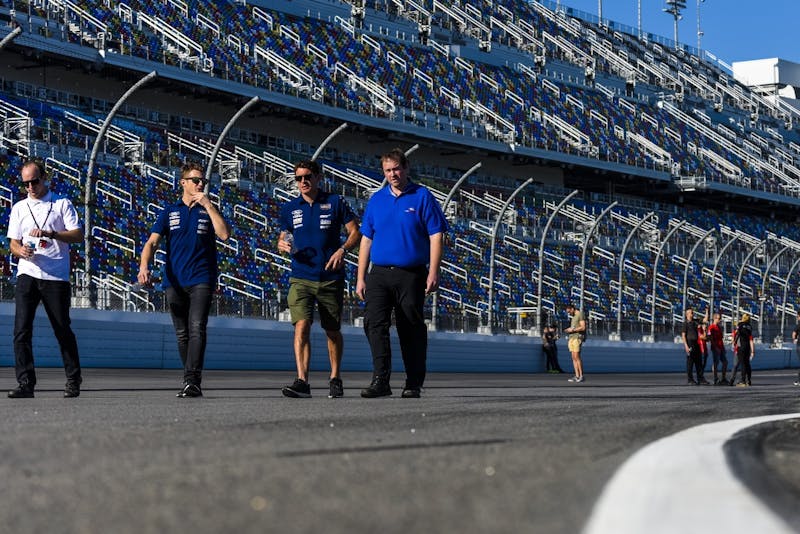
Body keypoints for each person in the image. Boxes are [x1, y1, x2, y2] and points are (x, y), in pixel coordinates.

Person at [355, 148, 448, 398]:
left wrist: (433, 271)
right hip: (379, 274)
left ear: (406, 168)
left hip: (411, 273)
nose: (393, 174)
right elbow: (366, 240)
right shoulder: (377, 200)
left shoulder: (422, 196)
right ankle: (380, 380)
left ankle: (413, 382)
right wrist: (360, 277)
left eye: (396, 169)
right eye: (388, 170)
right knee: (374, 324)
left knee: (410, 327)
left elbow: (436, 235)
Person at [138, 162, 231, 398]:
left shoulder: (208, 210)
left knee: (197, 327)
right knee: (182, 333)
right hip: (174, 281)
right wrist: (144, 265)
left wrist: (208, 205)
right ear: (183, 183)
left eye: (203, 181)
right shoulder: (170, 211)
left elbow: (224, 234)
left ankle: (192, 380)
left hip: (201, 278)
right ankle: (190, 378)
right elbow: (152, 242)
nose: (200, 184)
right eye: (196, 180)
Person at [277, 160, 360, 398]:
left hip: (329, 277)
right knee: (301, 326)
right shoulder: (290, 208)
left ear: (318, 178)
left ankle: (335, 377)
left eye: (307, 177)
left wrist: (342, 250)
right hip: (300, 276)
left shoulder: (334, 202)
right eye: (298, 178)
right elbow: (284, 236)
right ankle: (302, 381)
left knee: (332, 330)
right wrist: (282, 243)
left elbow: (355, 231)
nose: (303, 181)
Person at [6, 160, 83, 398]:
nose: (30, 187)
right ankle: (25, 383)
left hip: (55, 276)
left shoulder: (61, 203)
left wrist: (52, 234)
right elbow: (13, 243)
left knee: (62, 329)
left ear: (45, 178)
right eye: (26, 183)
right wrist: (20, 251)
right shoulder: (19, 207)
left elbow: (78, 235)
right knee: (21, 330)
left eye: (35, 181)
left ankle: (73, 379)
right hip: (27, 272)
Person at [681, 307, 709, 385]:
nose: (692, 314)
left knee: (698, 362)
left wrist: (707, 312)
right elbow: (683, 335)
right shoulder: (685, 324)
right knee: (690, 362)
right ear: (687, 314)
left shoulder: (695, 321)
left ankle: (700, 378)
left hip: (696, 343)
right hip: (690, 343)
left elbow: (705, 320)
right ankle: (690, 379)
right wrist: (686, 346)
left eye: (692, 312)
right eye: (691, 313)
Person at [564, 303, 586, 383]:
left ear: (572, 309)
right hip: (572, 337)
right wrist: (568, 329)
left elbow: (583, 327)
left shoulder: (580, 314)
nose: (569, 313)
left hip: (577, 337)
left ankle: (581, 376)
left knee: (577, 357)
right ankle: (577, 376)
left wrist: (572, 330)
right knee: (573, 357)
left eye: (569, 312)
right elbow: (574, 327)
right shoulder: (573, 317)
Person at [732, 313, 755, 387]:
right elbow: (750, 338)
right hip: (747, 346)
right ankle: (749, 380)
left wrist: (734, 342)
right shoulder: (749, 326)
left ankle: (743, 380)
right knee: (747, 363)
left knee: (742, 364)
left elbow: (737, 334)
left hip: (741, 346)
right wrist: (752, 351)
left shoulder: (740, 325)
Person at [707, 312, 729, 385]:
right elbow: (711, 339)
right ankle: (715, 378)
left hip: (721, 346)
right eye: (718, 319)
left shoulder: (719, 327)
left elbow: (721, 339)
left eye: (720, 319)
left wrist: (723, 348)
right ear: (715, 318)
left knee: (725, 362)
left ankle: (723, 378)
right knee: (716, 363)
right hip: (715, 347)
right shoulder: (711, 327)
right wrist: (716, 347)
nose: (720, 320)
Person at [792, 313, 800, 386]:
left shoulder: (798, 325)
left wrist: (794, 339)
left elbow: (794, 334)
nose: (797, 318)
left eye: (797, 316)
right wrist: (794, 339)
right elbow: (794, 334)